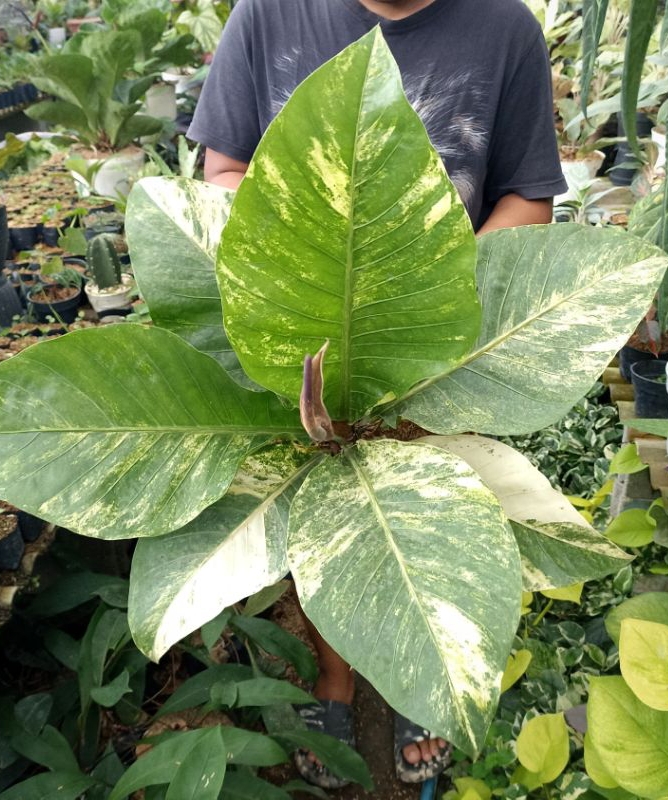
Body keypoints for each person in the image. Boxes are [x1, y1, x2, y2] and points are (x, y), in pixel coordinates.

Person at [187, 0, 567, 787]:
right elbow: (222, 173)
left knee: (425, 525)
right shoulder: (268, 14)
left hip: (438, 347)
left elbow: (529, 199)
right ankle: (336, 674)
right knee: (324, 516)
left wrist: (423, 293)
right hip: (303, 339)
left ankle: (421, 674)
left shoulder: (505, 30)